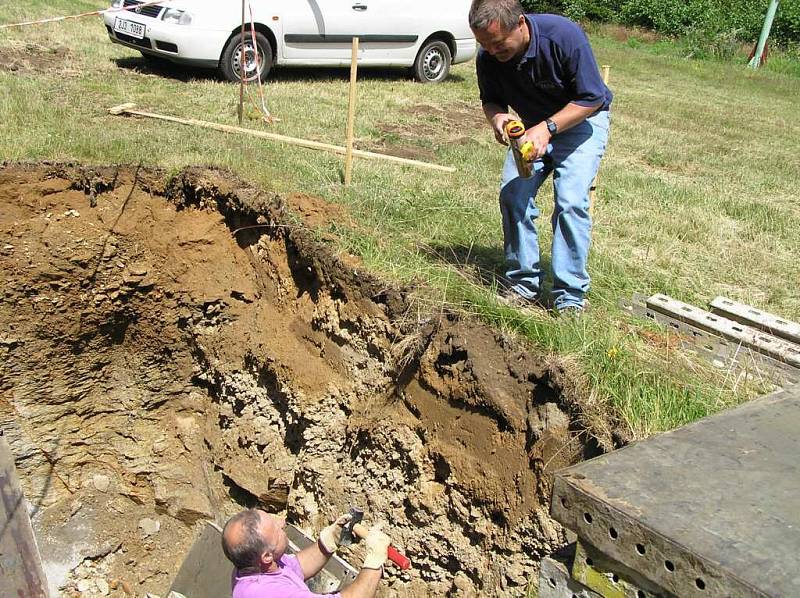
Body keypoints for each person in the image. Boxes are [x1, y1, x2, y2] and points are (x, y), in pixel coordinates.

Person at [469, 0, 612, 315]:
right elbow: (491, 100)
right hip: (531, 128)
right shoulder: (488, 55)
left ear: (520, 24)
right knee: (513, 195)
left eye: (498, 44)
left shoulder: (563, 37)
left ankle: (570, 297)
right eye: (484, 45)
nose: (491, 52)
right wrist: (498, 120)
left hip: (581, 122)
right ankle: (523, 283)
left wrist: (547, 129)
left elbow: (592, 97)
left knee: (571, 201)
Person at [221, 509, 390, 598]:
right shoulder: (268, 593)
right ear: (266, 556)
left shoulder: (250, 565)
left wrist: (330, 540)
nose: (282, 522)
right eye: (276, 528)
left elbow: (296, 568)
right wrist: (374, 561)